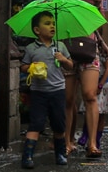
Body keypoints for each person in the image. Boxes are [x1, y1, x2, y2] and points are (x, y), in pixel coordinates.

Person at [52, 0, 108, 158]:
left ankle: (92, 143)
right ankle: (67, 142)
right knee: (67, 99)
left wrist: (98, 5)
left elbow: (100, 26)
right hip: (64, 50)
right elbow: (50, 23)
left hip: (88, 48)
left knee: (89, 95)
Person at [19, 10, 73, 169]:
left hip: (57, 91)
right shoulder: (31, 48)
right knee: (36, 123)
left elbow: (71, 65)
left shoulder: (60, 45)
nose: (52, 27)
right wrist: (31, 68)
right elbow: (22, 66)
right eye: (47, 24)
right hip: (38, 92)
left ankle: (60, 153)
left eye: (53, 24)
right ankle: (27, 156)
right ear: (37, 30)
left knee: (59, 124)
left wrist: (63, 59)